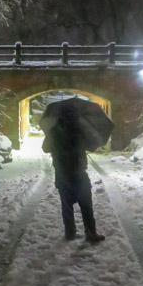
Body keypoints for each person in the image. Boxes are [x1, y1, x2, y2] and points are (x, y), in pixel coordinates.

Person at [42, 103, 105, 244]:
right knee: (86, 205)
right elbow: (92, 146)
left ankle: (70, 233)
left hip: (62, 174)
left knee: (66, 205)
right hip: (78, 173)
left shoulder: (54, 131)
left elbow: (45, 148)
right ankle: (91, 233)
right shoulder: (80, 130)